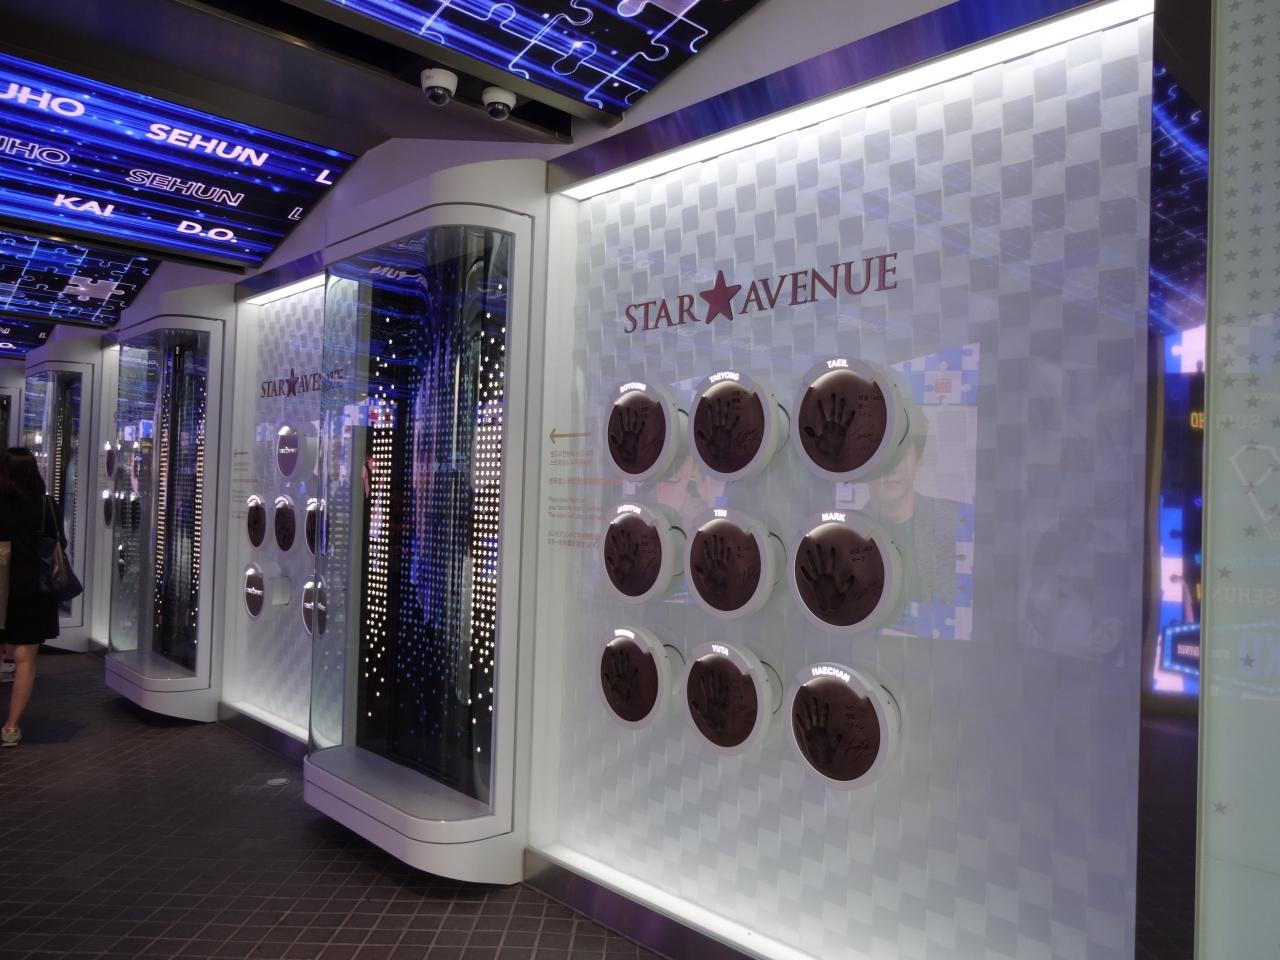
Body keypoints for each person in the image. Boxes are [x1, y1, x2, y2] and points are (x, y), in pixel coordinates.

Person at [0, 447, 62, 747]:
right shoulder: (46, 505)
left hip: (2, 586)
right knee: (25, 659)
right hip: (34, 589)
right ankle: (11, 727)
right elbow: (58, 543)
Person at [867, 417, 961, 605]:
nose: (891, 469)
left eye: (900, 456)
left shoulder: (956, 519)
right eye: (881, 457)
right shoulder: (842, 529)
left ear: (919, 461)